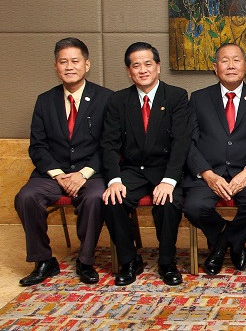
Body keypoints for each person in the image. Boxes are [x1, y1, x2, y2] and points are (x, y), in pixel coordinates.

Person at [15, 38, 112, 286]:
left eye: (75, 61)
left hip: (92, 172)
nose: (69, 66)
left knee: (94, 198)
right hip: (52, 174)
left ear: (87, 65)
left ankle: (86, 260)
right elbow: (37, 146)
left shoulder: (106, 99)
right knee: (26, 197)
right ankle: (44, 260)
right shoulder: (44, 100)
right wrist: (59, 175)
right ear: (56, 67)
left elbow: (110, 145)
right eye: (63, 62)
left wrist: (84, 174)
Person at [101, 42, 191, 286]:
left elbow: (181, 143)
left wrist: (169, 181)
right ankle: (129, 260)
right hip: (133, 170)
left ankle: (166, 262)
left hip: (165, 169)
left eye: (148, 64)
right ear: (129, 71)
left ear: (158, 67)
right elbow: (109, 144)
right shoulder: (118, 100)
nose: (142, 70)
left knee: (169, 203)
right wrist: (114, 180)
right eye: (136, 65)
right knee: (112, 200)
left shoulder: (176, 96)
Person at [183, 44, 246, 275]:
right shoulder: (198, 98)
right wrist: (207, 173)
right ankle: (234, 240)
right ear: (215, 68)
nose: (231, 65)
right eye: (225, 61)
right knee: (194, 207)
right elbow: (189, 143)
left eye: (236, 60)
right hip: (209, 171)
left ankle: (221, 245)